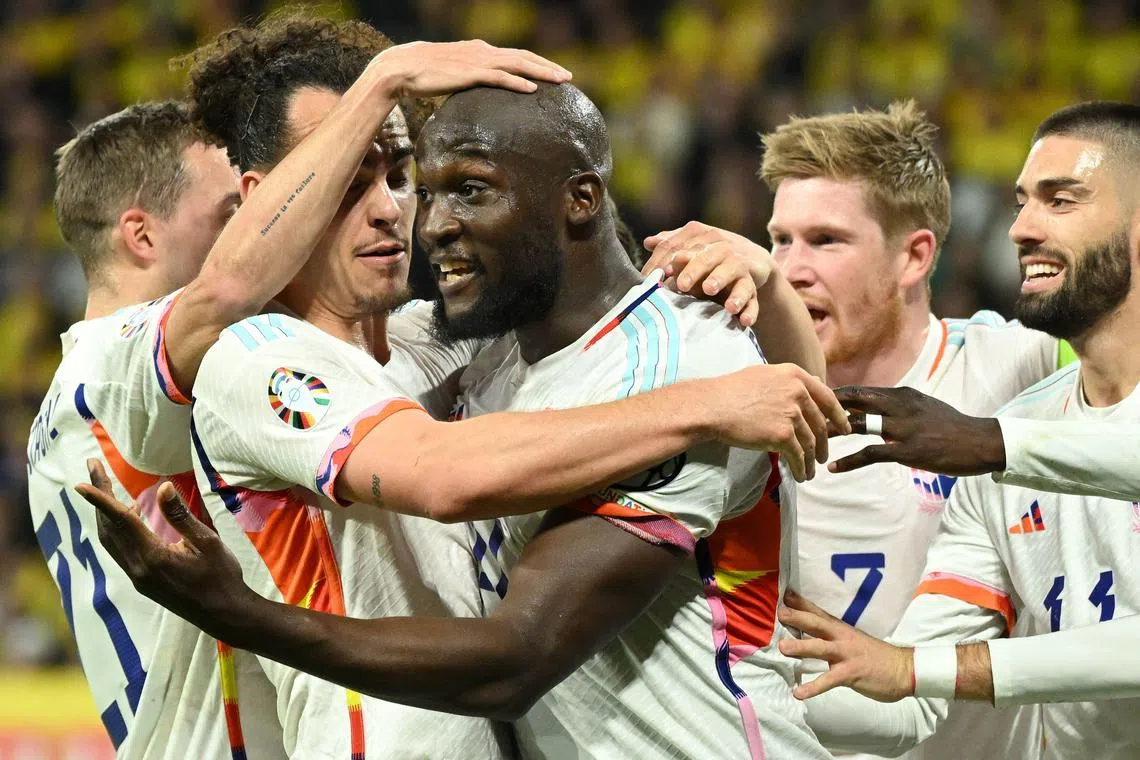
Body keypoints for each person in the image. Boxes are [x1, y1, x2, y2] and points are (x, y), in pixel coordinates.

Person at [140, 14, 842, 759]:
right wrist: (711, 404)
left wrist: (766, 288)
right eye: (347, 180)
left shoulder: (461, 344)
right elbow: (446, 475)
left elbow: (780, 399)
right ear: (270, 194)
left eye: (404, 178)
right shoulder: (258, 358)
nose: (412, 216)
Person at [28, 21, 579, 759]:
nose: (275, 224)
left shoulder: (70, 402)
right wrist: (383, 80)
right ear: (142, 236)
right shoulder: (118, 368)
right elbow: (227, 287)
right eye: (241, 211)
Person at [644, 100, 1070, 760]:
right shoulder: (728, 402)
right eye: (779, 239)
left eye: (826, 240)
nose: (790, 269)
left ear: (914, 257)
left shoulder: (1016, 368)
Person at [775, 101, 1140, 760]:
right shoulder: (1007, 427)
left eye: (1061, 201)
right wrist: (720, 683)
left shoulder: (991, 416)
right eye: (1022, 202)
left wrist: (994, 445)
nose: (1022, 228)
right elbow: (904, 700)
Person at [816, 385, 1140, 503]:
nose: (1018, 231)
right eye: (782, 242)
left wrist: (987, 441)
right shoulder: (1018, 412)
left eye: (826, 241)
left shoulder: (1006, 359)